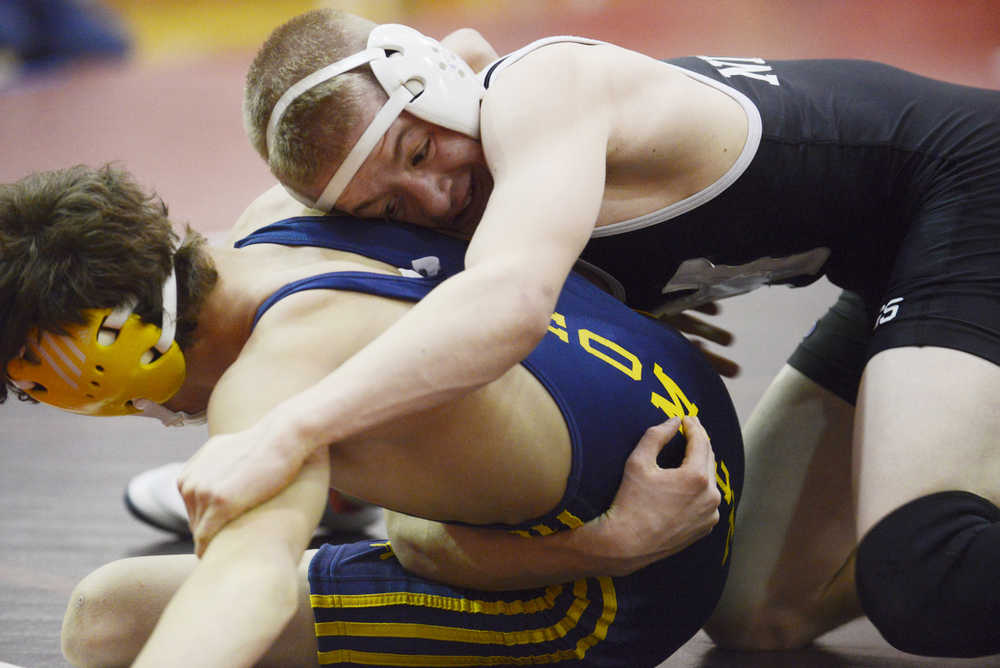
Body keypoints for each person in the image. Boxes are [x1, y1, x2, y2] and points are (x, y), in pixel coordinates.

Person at [179, 7, 1000, 658]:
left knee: (925, 573)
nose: (432, 199)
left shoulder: (544, 88)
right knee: (756, 613)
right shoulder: (492, 194)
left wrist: (291, 428)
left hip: (972, 186)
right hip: (895, 268)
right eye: (390, 205)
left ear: (430, 78)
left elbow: (507, 303)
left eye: (420, 148)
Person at [0, 165, 742, 667]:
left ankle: (351, 500)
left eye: (44, 391)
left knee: (105, 616)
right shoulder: (283, 215)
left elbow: (245, 588)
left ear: (109, 363)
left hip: (624, 582)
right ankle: (356, 495)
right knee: (412, 524)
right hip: (680, 402)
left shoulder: (271, 384)